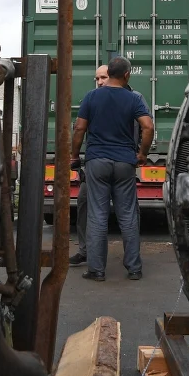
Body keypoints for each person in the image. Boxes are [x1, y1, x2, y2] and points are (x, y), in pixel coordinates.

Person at [72, 56, 153, 281]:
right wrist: (142, 154)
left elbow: (79, 129)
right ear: (127, 75)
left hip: (97, 161)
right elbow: (147, 126)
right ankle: (134, 268)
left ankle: (97, 270)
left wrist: (74, 155)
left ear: (110, 74)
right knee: (127, 215)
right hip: (125, 162)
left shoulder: (91, 97)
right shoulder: (133, 99)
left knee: (97, 215)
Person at [71, 65, 110, 267]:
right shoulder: (91, 99)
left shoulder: (131, 98)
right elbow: (78, 128)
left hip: (118, 164)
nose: (100, 81)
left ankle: (131, 261)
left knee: (127, 214)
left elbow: (142, 127)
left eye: (104, 77)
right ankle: (85, 251)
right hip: (93, 164)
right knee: (84, 205)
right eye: (97, 78)